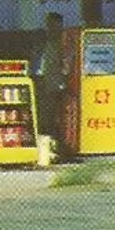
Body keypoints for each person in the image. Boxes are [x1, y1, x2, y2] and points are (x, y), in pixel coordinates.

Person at [34, 12, 66, 143]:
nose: (50, 28)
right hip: (49, 83)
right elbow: (42, 64)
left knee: (59, 114)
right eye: (49, 25)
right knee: (47, 113)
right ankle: (49, 140)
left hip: (61, 84)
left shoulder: (64, 42)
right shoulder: (46, 42)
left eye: (53, 24)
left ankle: (57, 139)